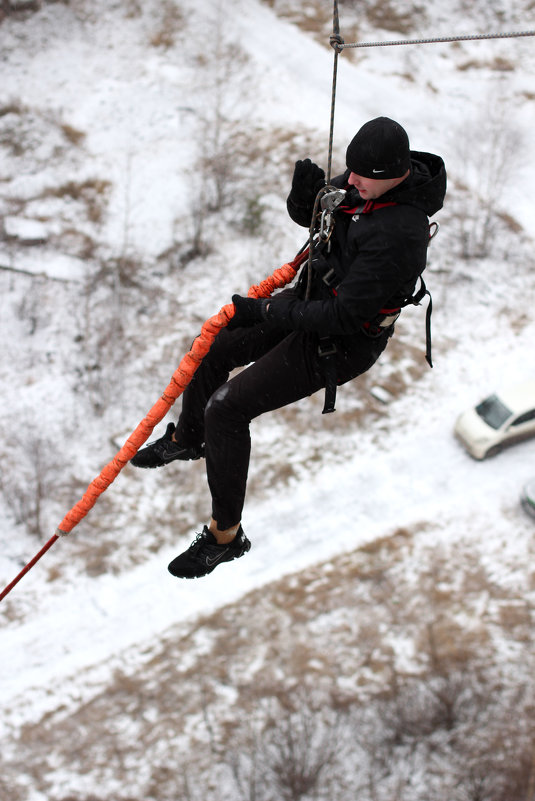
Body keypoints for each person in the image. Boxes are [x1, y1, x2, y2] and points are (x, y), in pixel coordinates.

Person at [131, 116, 447, 579]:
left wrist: (265, 313)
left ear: (389, 174)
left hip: (341, 341)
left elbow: (344, 317)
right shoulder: (367, 181)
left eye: (360, 176)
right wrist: (304, 198)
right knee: (217, 348)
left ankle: (224, 537)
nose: (351, 181)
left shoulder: (402, 233)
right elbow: (316, 222)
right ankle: (187, 439)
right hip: (311, 298)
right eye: (349, 171)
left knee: (229, 409)